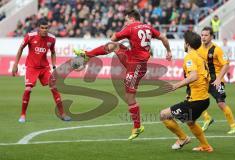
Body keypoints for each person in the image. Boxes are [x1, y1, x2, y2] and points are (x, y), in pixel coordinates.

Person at [74, 9, 172, 140]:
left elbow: (113, 37)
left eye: (126, 20)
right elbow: (164, 38)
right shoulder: (148, 27)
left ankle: (137, 127)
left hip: (137, 65)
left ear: (131, 19)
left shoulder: (130, 28)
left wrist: (124, 29)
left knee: (129, 97)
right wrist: (169, 51)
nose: (125, 22)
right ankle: (86, 55)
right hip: (133, 58)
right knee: (113, 46)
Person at [160, 31, 213, 152]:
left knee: (164, 115)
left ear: (187, 44)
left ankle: (183, 138)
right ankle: (206, 146)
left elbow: (194, 76)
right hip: (204, 99)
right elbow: (205, 78)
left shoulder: (190, 57)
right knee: (190, 122)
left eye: (184, 43)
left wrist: (175, 86)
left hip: (196, 100)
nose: (184, 45)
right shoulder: (199, 57)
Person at [12, 18, 71, 123]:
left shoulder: (52, 39)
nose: (44, 30)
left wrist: (53, 66)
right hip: (31, 67)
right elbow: (20, 49)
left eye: (46, 28)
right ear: (38, 28)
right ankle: (22, 115)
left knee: (54, 87)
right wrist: (15, 64)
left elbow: (53, 52)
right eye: (42, 28)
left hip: (44, 68)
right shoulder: (30, 36)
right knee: (28, 89)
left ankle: (63, 114)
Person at [198, 27, 235, 134]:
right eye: (202, 35)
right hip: (204, 80)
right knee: (194, 100)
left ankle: (234, 127)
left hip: (216, 80)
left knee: (221, 103)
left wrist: (219, 79)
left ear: (211, 36)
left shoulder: (217, 49)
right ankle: (207, 118)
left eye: (206, 35)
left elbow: (226, 64)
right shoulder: (199, 48)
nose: (203, 37)